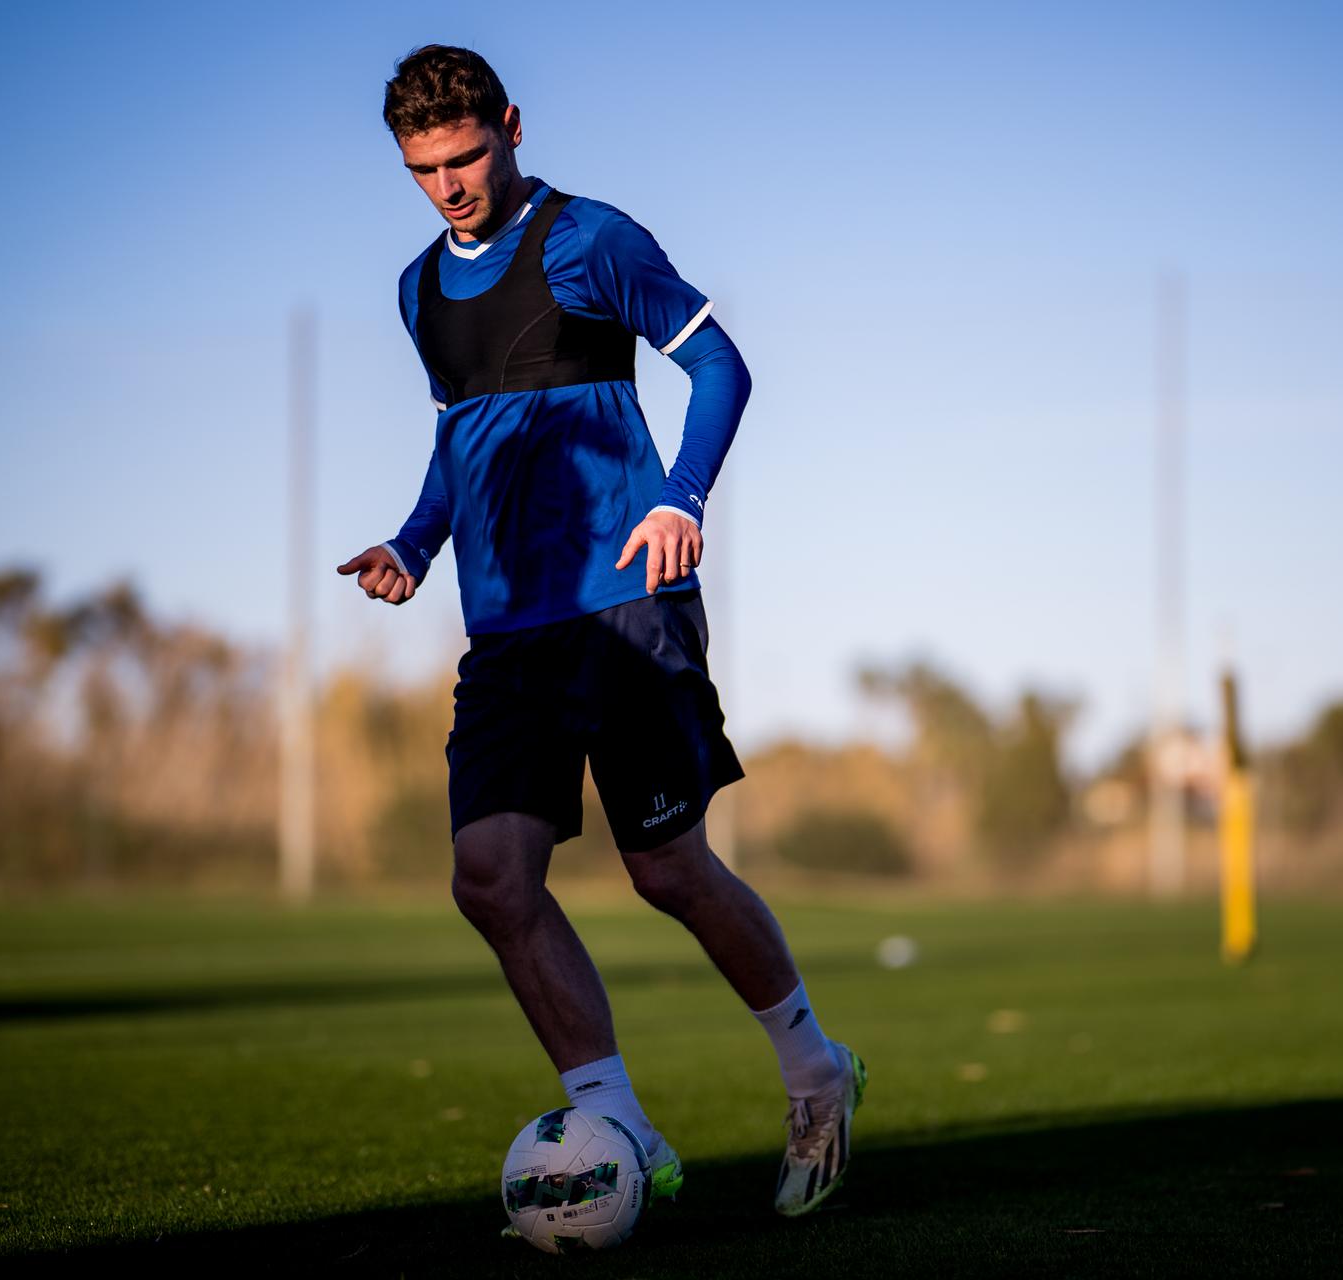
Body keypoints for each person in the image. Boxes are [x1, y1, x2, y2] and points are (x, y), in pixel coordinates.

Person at [336, 45, 866, 1217]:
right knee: (490, 879)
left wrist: (682, 498)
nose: (449, 186)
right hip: (507, 632)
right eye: (424, 168)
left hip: (626, 602)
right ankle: (619, 1125)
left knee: (668, 868)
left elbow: (720, 364)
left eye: (466, 156)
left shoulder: (592, 240)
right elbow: (460, 435)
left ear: (511, 126)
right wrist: (416, 542)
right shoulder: (418, 290)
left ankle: (816, 1071)